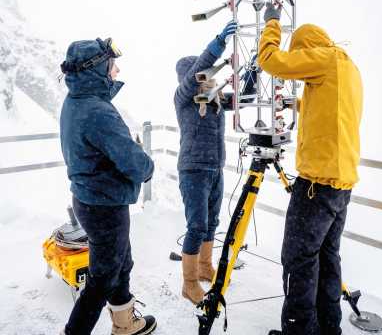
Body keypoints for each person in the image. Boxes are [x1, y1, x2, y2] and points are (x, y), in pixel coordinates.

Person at [258, 3, 363, 335]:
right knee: (327, 259)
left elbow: (271, 61)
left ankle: (300, 330)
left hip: (316, 187)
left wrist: (271, 24)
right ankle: (328, 327)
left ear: (307, 48)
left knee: (298, 261)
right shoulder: (347, 67)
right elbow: (334, 110)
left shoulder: (324, 58)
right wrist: (298, 104)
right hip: (341, 187)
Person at [59, 38, 156, 335]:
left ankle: (125, 324)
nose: (117, 70)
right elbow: (135, 164)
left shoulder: (76, 102)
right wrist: (146, 164)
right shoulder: (98, 111)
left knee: (119, 262)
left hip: (90, 199)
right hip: (104, 205)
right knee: (103, 276)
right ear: (98, 69)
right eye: (112, 66)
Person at [174, 21, 257, 304]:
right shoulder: (183, 97)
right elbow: (200, 66)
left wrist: (254, 71)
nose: (207, 76)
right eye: (202, 72)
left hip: (215, 169)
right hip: (193, 169)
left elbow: (244, 99)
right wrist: (218, 42)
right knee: (197, 225)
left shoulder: (216, 98)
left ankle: (204, 266)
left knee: (211, 223)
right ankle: (189, 283)